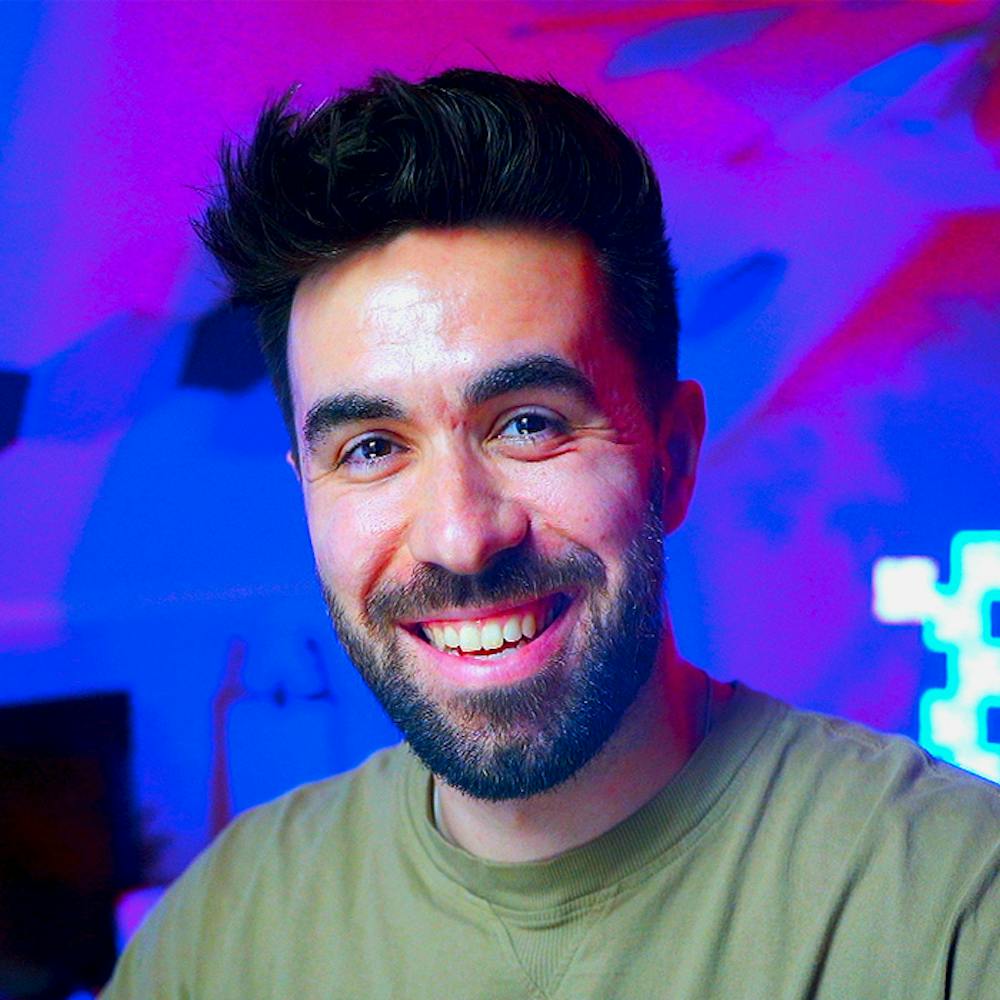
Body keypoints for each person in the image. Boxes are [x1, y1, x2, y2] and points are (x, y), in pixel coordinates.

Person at [103, 69, 999, 999]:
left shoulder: (952, 904)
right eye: (371, 448)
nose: (460, 536)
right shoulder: (218, 936)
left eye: (529, 423)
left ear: (674, 456)